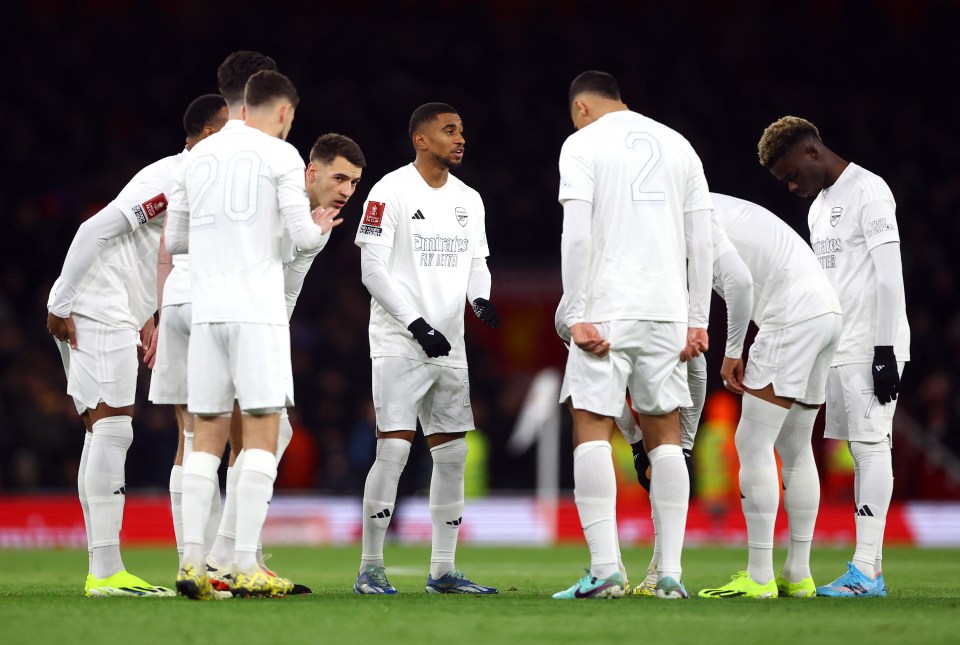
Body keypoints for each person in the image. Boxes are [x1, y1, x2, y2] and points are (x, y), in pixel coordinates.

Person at [166, 70, 341, 599]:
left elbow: (176, 240)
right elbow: (302, 231)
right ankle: (244, 563)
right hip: (257, 311)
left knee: (205, 437)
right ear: (284, 112)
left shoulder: (197, 158)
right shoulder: (281, 156)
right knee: (264, 433)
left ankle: (192, 563)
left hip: (207, 311)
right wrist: (320, 226)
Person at [45, 93, 227, 598]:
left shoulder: (193, 184)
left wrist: (148, 311)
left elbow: (147, 250)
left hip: (118, 308)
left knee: (105, 431)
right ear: (210, 135)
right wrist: (61, 303)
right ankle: (105, 574)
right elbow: (95, 228)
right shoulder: (169, 178)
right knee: (112, 429)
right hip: (96, 306)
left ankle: (105, 570)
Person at [552, 71, 713, 600]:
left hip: (606, 309)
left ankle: (605, 570)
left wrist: (577, 312)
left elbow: (575, 233)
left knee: (592, 425)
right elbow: (702, 238)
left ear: (581, 108)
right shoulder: (679, 144)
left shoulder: (581, 144)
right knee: (667, 437)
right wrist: (697, 318)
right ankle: (669, 575)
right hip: (667, 313)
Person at [759, 117, 909, 598]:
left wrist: (885, 350)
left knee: (870, 446)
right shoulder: (818, 210)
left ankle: (866, 571)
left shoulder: (869, 191)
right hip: (838, 348)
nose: (791, 185)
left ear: (812, 152)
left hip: (871, 345)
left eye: (791, 173)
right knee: (859, 450)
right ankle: (870, 570)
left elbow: (889, 276)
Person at [352, 102, 499, 595]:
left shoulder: (470, 199)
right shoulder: (389, 191)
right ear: (420, 138)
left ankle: (442, 570)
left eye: (462, 130)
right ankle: (370, 568)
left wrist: (480, 298)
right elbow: (371, 269)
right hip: (399, 341)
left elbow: (478, 261)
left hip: (449, 345)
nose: (460, 139)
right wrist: (416, 324)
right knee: (393, 448)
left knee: (452, 454)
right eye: (449, 131)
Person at [692, 193, 842, 599]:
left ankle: (759, 576)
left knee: (752, 442)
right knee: (795, 447)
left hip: (790, 318)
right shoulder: (714, 206)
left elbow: (738, 282)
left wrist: (733, 352)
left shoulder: (690, 212)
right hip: (827, 315)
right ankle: (798, 573)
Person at [145, 93, 228, 571]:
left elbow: (167, 248)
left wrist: (156, 315)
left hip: (175, 297)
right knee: (237, 429)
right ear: (213, 130)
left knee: (189, 434)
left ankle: (190, 560)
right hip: (212, 301)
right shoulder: (225, 167)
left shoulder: (177, 172)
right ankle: (223, 559)